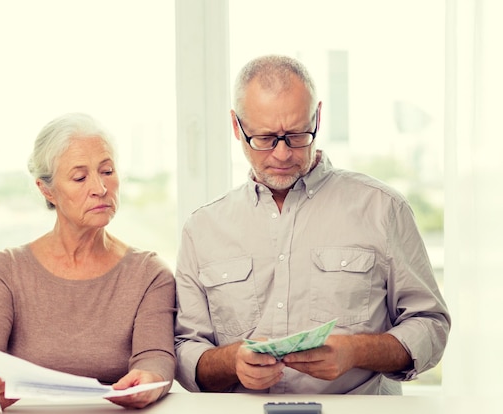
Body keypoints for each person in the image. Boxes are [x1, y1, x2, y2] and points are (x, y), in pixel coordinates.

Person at [174, 55, 451, 394]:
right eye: (263, 138)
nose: (281, 154)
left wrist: (356, 352)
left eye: (297, 135)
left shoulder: (383, 208)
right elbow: (185, 350)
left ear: (317, 117)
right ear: (236, 127)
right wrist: (232, 362)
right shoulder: (202, 229)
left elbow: (431, 327)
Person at [0, 112, 176, 410]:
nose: (100, 188)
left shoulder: (150, 273)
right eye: (80, 177)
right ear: (46, 189)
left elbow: (157, 357)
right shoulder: (7, 269)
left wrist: (149, 380)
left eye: (107, 171)